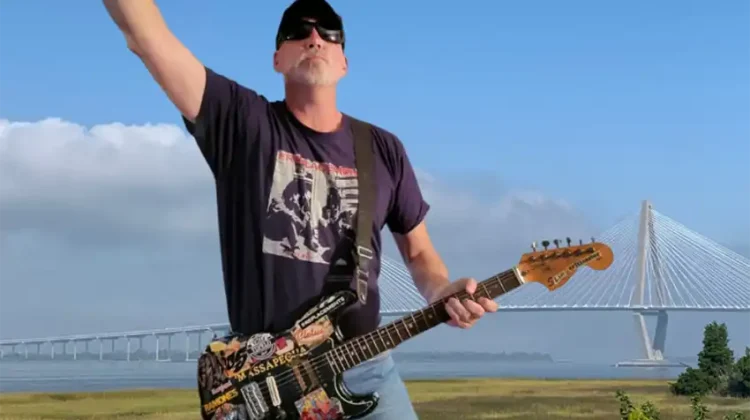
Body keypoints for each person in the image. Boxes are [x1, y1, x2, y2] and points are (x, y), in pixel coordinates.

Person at [102, 0, 499, 418]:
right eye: (298, 30)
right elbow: (147, 38)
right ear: (277, 59)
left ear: (344, 62)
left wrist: (440, 291)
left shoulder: (383, 149)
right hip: (268, 378)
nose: (315, 38)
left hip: (366, 366)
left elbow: (418, 253)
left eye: (330, 33)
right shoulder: (241, 123)